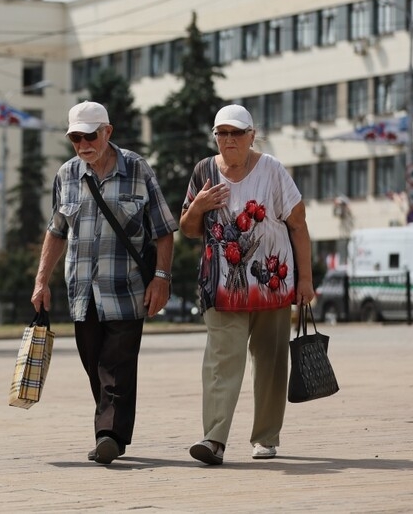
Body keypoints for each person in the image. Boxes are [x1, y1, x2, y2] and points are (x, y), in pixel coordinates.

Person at [31, 101, 177, 465]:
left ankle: (109, 436)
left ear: (107, 132)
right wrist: (41, 281)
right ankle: (110, 427)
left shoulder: (137, 169)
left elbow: (163, 231)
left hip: (127, 290)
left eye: (89, 136)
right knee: (96, 364)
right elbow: (56, 231)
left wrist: (161, 278)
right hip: (82, 293)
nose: (83, 144)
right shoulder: (66, 175)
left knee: (117, 364)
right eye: (75, 138)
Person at [179, 104, 315, 465]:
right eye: (222, 133)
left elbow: (298, 225)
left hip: (273, 284)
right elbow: (189, 230)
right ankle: (214, 440)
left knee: (271, 362)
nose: (228, 140)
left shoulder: (271, 170)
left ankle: (266, 437)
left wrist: (306, 280)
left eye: (236, 133)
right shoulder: (204, 171)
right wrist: (200, 206)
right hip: (221, 288)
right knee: (223, 362)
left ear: (252, 136)